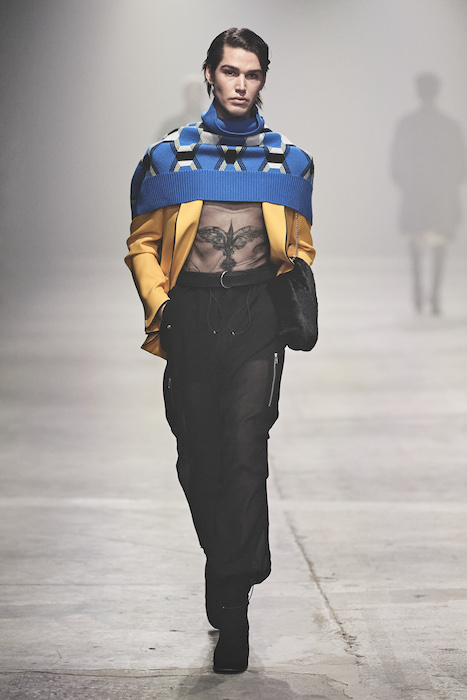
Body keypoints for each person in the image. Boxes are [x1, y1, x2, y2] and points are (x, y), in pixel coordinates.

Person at [126, 27, 315, 674]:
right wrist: (161, 306)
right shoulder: (166, 159)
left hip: (256, 314)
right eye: (230, 71)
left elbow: (298, 246)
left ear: (263, 80)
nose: (240, 84)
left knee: (243, 448)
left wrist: (292, 303)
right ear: (209, 74)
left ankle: (233, 600)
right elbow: (142, 243)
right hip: (190, 313)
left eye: (252, 74)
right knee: (198, 459)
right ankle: (225, 564)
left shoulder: (290, 162)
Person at [391, 73, 466, 315]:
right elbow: (460, 166)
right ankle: (433, 297)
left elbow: (396, 165)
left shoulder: (407, 125)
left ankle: (420, 297)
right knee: (438, 247)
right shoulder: (449, 126)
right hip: (440, 196)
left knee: (417, 247)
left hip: (417, 195)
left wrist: (409, 184)